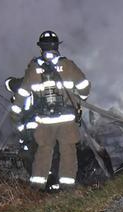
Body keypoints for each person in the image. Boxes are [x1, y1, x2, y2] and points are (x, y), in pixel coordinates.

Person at [15, 30, 91, 190]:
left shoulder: (34, 68)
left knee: (43, 151)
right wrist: (81, 98)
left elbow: (22, 93)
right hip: (66, 119)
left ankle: (37, 186)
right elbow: (85, 86)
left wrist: (15, 112)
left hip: (44, 120)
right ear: (57, 45)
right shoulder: (68, 65)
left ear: (41, 47)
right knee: (68, 151)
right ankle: (67, 186)